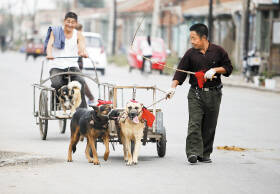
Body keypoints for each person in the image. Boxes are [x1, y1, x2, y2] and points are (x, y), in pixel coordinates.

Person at [166, 23, 233, 164]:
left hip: (214, 94)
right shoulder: (190, 54)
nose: (192, 41)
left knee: (209, 125)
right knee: (194, 123)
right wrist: (173, 87)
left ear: (203, 38)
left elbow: (228, 68)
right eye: (190, 38)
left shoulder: (218, 51)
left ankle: (205, 153)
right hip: (195, 94)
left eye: (194, 38)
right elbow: (180, 72)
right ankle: (193, 152)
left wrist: (215, 70)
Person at [45, 11, 88, 108]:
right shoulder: (56, 32)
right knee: (57, 83)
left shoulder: (78, 34)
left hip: (72, 65)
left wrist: (83, 52)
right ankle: (56, 104)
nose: (70, 24)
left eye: (73, 22)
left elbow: (82, 46)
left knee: (81, 81)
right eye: (68, 21)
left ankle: (82, 109)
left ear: (76, 23)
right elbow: (50, 44)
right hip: (56, 65)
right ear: (64, 21)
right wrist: (49, 54)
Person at [75, 23, 95, 104]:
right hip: (74, 62)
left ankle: (90, 98)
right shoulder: (75, 37)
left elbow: (82, 49)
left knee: (79, 79)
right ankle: (90, 98)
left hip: (77, 62)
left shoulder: (79, 37)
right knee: (80, 80)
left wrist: (84, 53)